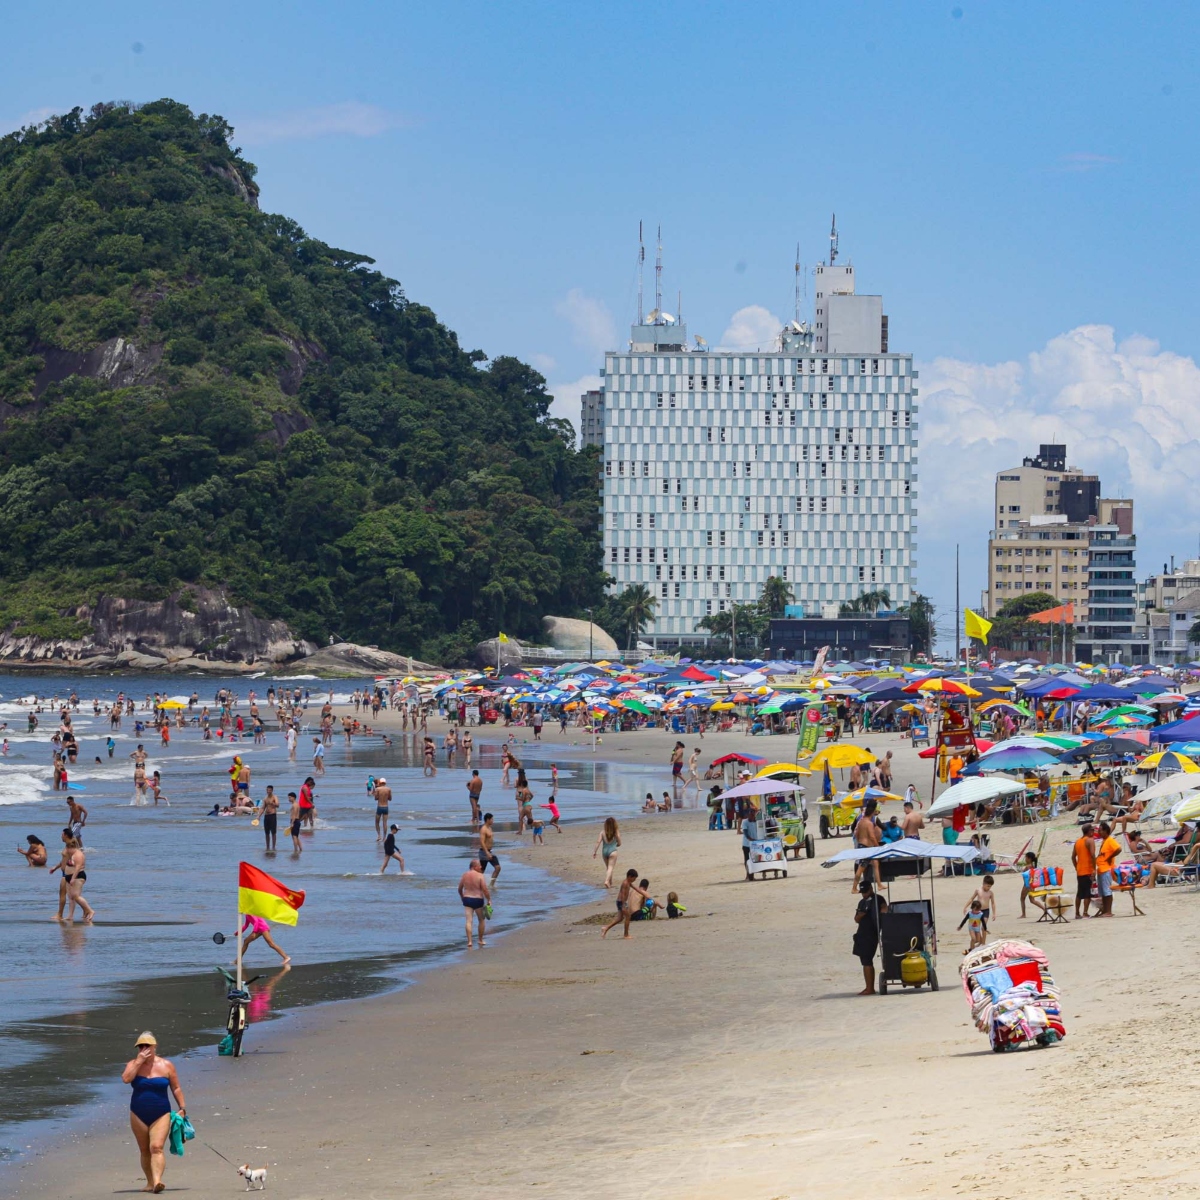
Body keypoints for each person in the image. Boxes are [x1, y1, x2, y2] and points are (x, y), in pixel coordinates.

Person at [122, 1032, 186, 1195]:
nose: (144, 1049)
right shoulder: (133, 1064)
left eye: (147, 1046)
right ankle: (150, 1182)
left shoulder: (166, 1065)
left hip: (161, 1112)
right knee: (144, 1149)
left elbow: (176, 1087)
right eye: (141, 1046)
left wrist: (182, 1108)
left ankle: (158, 1181)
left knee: (156, 1147)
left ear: (154, 1046)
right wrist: (139, 1062)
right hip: (138, 1113)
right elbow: (126, 1079)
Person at [853, 881, 887, 996]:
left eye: (866, 892)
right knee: (864, 960)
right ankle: (869, 987)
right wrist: (861, 915)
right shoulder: (862, 902)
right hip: (862, 933)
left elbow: (884, 911)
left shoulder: (879, 899)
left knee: (867, 960)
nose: (864, 895)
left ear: (871, 889)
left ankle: (869, 988)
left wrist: (882, 916)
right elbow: (856, 919)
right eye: (862, 893)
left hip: (872, 933)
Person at [602, 869, 649, 939]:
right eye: (634, 878)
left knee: (620, 919)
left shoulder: (629, 882)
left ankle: (606, 928)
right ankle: (626, 934)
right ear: (630, 876)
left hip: (622, 902)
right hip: (621, 902)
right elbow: (623, 895)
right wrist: (624, 905)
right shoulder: (625, 883)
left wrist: (644, 894)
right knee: (628, 917)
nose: (634, 880)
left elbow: (636, 889)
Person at [458, 858, 491, 948]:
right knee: (481, 920)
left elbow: (459, 889)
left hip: (467, 899)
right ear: (475, 866)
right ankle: (480, 940)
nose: (481, 867)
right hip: (478, 899)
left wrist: (462, 897)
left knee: (469, 920)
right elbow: (484, 889)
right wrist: (489, 899)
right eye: (479, 865)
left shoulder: (465, 875)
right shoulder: (480, 875)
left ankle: (469, 942)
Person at [1095, 821, 1122, 917]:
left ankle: (1108, 911)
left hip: (1106, 869)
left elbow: (1118, 849)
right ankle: (1105, 910)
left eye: (1100, 830)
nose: (1099, 832)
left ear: (1106, 831)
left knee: (1107, 891)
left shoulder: (1110, 840)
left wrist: (1110, 857)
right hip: (1101, 869)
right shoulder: (1104, 841)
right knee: (1103, 892)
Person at [1072, 823, 1097, 919]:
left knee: (1079, 893)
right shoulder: (1090, 841)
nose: (1094, 832)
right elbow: (1092, 855)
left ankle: (1077, 913)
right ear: (1089, 831)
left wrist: (1076, 867)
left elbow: (1073, 857)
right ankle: (1085, 912)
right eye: (1092, 830)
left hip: (1080, 871)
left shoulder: (1078, 841)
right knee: (1087, 893)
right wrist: (1094, 869)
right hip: (1088, 870)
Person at [593, 817, 620, 887]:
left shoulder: (602, 832)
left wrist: (594, 851)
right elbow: (619, 839)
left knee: (608, 868)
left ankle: (610, 882)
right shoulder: (615, 831)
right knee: (611, 867)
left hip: (604, 852)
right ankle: (607, 881)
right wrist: (619, 843)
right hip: (613, 851)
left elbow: (598, 842)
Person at [478, 812, 501, 879]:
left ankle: (491, 884)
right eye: (492, 819)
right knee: (481, 871)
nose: (493, 821)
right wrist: (487, 853)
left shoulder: (489, 828)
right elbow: (482, 842)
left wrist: (489, 852)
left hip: (489, 851)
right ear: (488, 820)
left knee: (497, 868)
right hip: (484, 852)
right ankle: (474, 883)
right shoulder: (483, 829)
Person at [373, 777, 392, 841]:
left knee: (377, 822)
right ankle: (384, 837)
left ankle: (379, 835)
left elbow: (376, 798)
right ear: (385, 783)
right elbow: (390, 799)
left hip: (380, 806)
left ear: (380, 783)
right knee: (385, 823)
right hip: (386, 807)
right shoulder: (388, 789)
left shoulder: (378, 789)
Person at [261, 786, 279, 850]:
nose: (268, 791)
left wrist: (273, 803)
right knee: (266, 833)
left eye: (269, 790)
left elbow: (278, 805)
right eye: (267, 790)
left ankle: (273, 847)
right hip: (266, 816)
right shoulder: (265, 798)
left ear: (272, 790)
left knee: (273, 832)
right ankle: (267, 847)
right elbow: (263, 808)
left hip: (272, 815)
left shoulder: (275, 797)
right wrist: (258, 816)